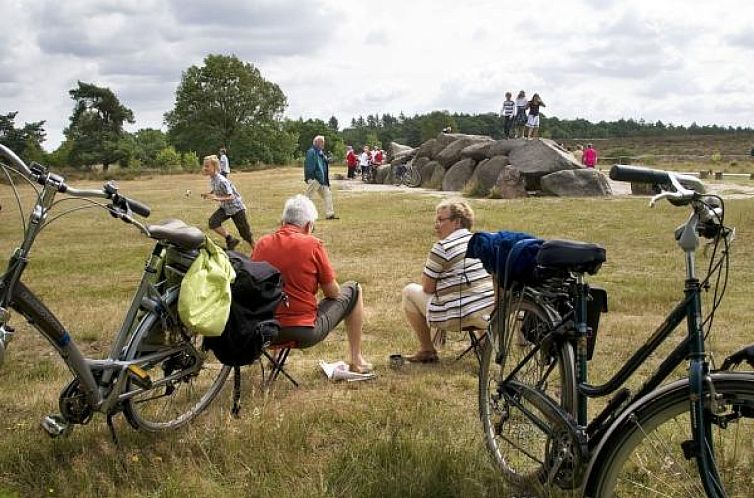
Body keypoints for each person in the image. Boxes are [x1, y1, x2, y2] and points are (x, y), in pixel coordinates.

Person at [251, 195, 372, 373]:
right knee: (354, 289)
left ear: (282, 221)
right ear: (309, 225)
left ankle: (275, 357)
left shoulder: (261, 244)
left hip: (265, 331)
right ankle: (357, 359)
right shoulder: (312, 244)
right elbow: (333, 293)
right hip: (302, 331)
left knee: (274, 296)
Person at [402, 199, 495, 363]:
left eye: (441, 220)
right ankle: (484, 343)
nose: (436, 225)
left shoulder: (442, 247)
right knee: (476, 288)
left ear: (457, 222)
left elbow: (428, 288)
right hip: (490, 311)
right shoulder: (481, 241)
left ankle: (427, 349)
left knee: (409, 292)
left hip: (461, 315)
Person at [201, 155, 254, 250]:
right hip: (226, 208)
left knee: (245, 234)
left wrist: (217, 198)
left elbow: (232, 196)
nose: (204, 168)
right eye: (204, 165)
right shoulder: (213, 179)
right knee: (213, 222)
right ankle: (231, 240)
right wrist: (209, 194)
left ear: (215, 167)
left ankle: (256, 250)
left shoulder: (222, 180)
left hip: (236, 208)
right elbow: (216, 189)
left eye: (207, 166)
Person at [304, 135, 337, 220]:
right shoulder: (311, 152)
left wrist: (328, 160)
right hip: (315, 178)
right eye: (322, 142)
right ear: (316, 142)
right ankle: (302, 215)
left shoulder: (320, 152)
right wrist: (311, 178)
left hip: (322, 180)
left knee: (328, 195)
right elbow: (309, 166)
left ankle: (330, 214)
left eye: (323, 142)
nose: (323, 144)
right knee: (308, 197)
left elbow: (323, 164)